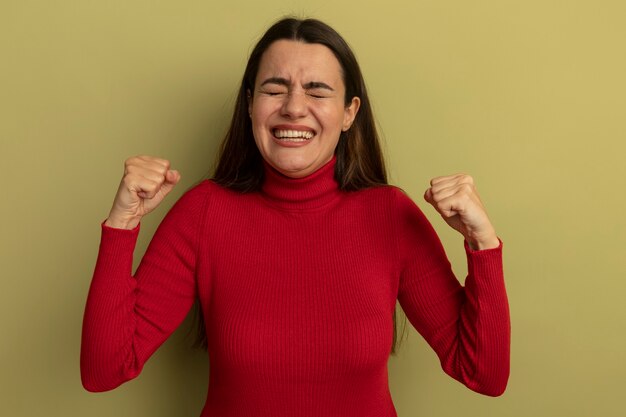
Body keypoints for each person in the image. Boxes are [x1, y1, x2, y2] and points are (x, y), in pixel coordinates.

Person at [80, 17, 510, 417]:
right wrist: (122, 223)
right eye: (274, 88)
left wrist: (482, 243)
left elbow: (483, 375)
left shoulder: (390, 215)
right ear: (251, 105)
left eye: (318, 91)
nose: (293, 107)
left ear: (349, 113)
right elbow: (105, 370)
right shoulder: (204, 213)